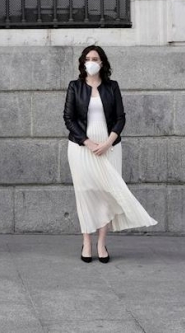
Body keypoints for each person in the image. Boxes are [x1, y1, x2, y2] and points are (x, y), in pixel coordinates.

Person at [63, 45, 157, 263]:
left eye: (95, 58)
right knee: (85, 193)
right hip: (80, 148)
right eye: (87, 58)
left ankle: (101, 243)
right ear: (82, 62)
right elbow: (68, 118)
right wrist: (86, 142)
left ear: (102, 62)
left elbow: (120, 118)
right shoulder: (75, 87)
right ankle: (86, 242)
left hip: (109, 147)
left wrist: (107, 142)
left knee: (107, 194)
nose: (91, 62)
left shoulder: (111, 87)